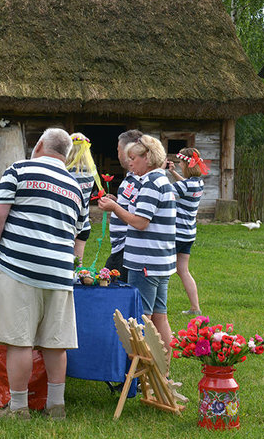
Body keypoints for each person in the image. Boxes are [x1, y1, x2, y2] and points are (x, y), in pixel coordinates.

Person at [0, 128, 88, 420]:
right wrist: (72, 265)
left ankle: (18, 408)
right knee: (55, 342)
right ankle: (56, 406)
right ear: (64, 154)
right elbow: (82, 234)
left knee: (20, 341)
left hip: (20, 268)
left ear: (39, 145)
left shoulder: (19, 170)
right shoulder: (76, 186)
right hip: (60, 273)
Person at [97, 135, 176, 365]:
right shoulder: (161, 180)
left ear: (148, 158)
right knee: (160, 316)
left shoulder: (151, 183)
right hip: (158, 262)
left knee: (142, 320)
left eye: (134, 158)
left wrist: (113, 207)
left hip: (145, 262)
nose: (130, 163)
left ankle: (142, 372)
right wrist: (118, 204)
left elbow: (141, 222)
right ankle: (163, 370)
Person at [167, 147, 206, 316]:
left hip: (176, 234)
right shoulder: (198, 183)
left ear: (186, 164)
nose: (179, 165)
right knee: (183, 270)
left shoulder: (184, 186)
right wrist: (173, 173)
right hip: (189, 234)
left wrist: (160, 173)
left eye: (181, 163)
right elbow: (184, 185)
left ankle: (159, 308)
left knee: (163, 271)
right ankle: (195, 307)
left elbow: (164, 191)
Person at [104, 130, 143, 281]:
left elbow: (141, 216)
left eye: (118, 149)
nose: (118, 153)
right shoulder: (131, 176)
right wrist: (116, 201)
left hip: (127, 247)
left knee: (113, 289)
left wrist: (114, 207)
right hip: (120, 247)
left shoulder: (141, 178)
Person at [65, 133, 96, 266]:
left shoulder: (65, 172)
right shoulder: (90, 172)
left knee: (64, 263)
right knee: (78, 263)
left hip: (68, 222)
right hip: (84, 224)